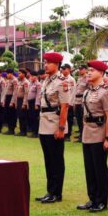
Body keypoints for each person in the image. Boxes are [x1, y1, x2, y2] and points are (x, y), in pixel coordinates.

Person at [77, 60, 108, 213]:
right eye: (88, 70)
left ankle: (101, 201)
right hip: (87, 132)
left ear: (101, 73)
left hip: (99, 133)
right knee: (89, 168)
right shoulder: (87, 91)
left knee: (100, 168)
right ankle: (92, 198)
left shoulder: (107, 91)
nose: (88, 72)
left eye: (92, 70)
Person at [37, 52, 72, 203]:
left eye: (48, 63)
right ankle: (50, 190)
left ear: (56, 65)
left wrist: (61, 128)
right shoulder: (47, 80)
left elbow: (64, 107)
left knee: (56, 160)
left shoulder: (62, 82)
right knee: (48, 160)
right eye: (45, 62)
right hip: (44, 122)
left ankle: (57, 193)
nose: (45, 65)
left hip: (54, 123)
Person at [73, 65, 88, 141]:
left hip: (82, 100)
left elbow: (88, 90)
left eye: (81, 69)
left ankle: (84, 136)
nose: (80, 70)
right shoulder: (79, 78)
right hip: (77, 100)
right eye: (79, 69)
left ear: (85, 70)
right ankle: (81, 134)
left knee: (83, 119)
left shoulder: (87, 78)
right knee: (79, 119)